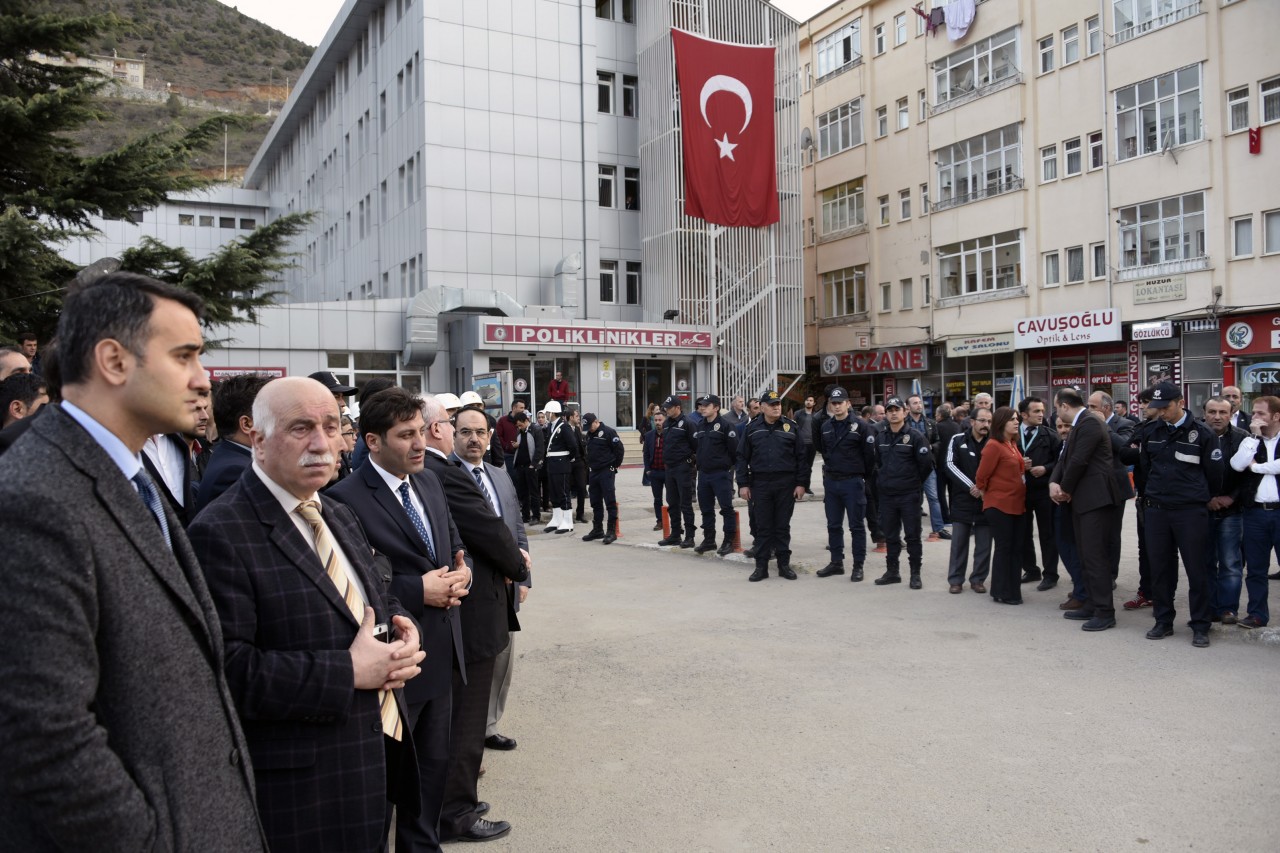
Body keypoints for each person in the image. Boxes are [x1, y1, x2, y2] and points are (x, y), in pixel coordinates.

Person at [0, 272, 266, 851]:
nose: (202, 381)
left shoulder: (130, 476)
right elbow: (41, 735)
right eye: (185, 356)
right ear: (113, 361)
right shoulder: (33, 500)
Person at [188, 377, 425, 852]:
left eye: (332, 426)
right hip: (304, 793)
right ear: (256, 437)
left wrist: (401, 622)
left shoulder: (334, 512)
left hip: (375, 760)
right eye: (301, 428)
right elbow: (227, 672)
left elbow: (368, 593)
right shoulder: (220, 532)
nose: (322, 443)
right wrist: (348, 671)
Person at [325, 387, 470, 853]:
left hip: (443, 651)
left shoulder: (429, 481)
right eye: (405, 435)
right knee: (389, 786)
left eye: (422, 433)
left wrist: (462, 570)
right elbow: (356, 583)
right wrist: (416, 590)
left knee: (431, 778)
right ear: (372, 441)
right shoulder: (342, 499)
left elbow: (450, 541)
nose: (418, 445)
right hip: (393, 663)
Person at [426, 402, 528, 843]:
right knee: (463, 722)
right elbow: (488, 534)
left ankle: (457, 798)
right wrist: (514, 564)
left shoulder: (499, 475)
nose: (469, 437)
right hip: (468, 612)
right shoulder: (446, 474)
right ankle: (455, 812)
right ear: (444, 431)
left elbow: (514, 525)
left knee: (465, 717)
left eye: (478, 431)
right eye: (459, 428)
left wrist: (523, 569)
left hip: (491, 598)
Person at [1138, 382, 1216, 647]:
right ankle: (1163, 620)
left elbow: (1214, 475)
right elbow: (1146, 468)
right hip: (1157, 510)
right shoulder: (1151, 431)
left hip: (1190, 512)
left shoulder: (1202, 433)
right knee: (1160, 569)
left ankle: (1201, 625)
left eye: (1166, 407)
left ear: (1180, 402)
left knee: (1197, 569)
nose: (1161, 413)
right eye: (1157, 408)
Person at [1051, 389, 1124, 632]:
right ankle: (1092, 604)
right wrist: (1056, 482)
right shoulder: (1082, 423)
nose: (1056, 413)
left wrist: (1064, 489)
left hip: (1095, 499)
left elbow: (1079, 460)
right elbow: (1065, 458)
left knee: (1095, 557)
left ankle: (1105, 611)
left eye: (1056, 408)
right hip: (1083, 500)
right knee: (1085, 555)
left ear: (1063, 406)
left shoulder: (1090, 422)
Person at [737, 390, 807, 581]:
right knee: (763, 527)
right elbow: (742, 457)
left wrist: (801, 483)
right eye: (772, 404)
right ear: (763, 407)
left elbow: (802, 457)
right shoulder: (752, 428)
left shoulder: (790, 427)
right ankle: (761, 567)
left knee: (782, 526)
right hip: (760, 483)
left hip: (785, 483)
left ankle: (784, 565)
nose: (777, 407)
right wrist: (743, 484)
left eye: (778, 404)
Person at [811, 387, 875, 580]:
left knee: (856, 526)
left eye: (840, 402)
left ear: (848, 403)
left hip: (852, 482)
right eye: (834, 403)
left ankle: (858, 565)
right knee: (833, 525)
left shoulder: (861, 426)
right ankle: (836, 562)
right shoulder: (826, 426)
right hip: (832, 482)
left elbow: (870, 456)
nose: (837, 406)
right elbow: (821, 448)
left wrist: (863, 477)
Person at [1229, 394, 1280, 628]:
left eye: (1261, 413)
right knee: (1256, 569)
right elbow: (1238, 464)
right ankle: (1257, 614)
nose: (1254, 417)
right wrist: (1254, 437)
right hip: (1255, 514)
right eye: (1254, 412)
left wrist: (1258, 467)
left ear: (1276, 416)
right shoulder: (1250, 439)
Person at [872, 397, 934, 589]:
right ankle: (893, 571)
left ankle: (915, 573)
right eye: (889, 409)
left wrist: (912, 483)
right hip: (888, 496)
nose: (892, 413)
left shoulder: (915, 437)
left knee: (912, 536)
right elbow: (877, 463)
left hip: (909, 495)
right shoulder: (881, 436)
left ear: (905, 412)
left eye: (896, 409)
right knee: (891, 535)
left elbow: (926, 465)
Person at [195, 373, 273, 513]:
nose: (282, 424)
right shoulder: (235, 473)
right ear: (247, 424)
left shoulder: (232, 459)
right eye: (274, 416)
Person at [975, 407, 1028, 605]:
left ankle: (1012, 589)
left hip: (1017, 504)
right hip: (999, 506)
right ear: (1001, 423)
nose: (1017, 422)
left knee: (1015, 549)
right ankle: (1002, 591)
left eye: (1017, 419)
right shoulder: (994, 445)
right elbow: (981, 476)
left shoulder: (1012, 444)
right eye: (1012, 420)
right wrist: (986, 494)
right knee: (1005, 548)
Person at [1202, 396, 1248, 624]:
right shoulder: (1194, 436)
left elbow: (1249, 475)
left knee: (1230, 563)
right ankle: (1209, 608)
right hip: (1202, 510)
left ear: (1231, 414)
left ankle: (1228, 609)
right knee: (1206, 562)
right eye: (1212, 412)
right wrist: (1207, 497)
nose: (1217, 417)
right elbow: (1188, 472)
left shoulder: (1243, 438)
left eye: (1223, 412)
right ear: (1204, 413)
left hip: (1232, 511)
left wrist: (1231, 497)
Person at [943, 407, 993, 594]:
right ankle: (955, 580)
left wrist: (984, 489)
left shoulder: (994, 442)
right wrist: (971, 486)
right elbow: (949, 465)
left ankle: (978, 579)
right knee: (959, 543)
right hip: (962, 500)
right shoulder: (958, 440)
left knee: (984, 544)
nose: (985, 425)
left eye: (989, 421)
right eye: (982, 421)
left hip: (986, 500)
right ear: (972, 422)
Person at [1089, 390, 1136, 582]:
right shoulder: (1087, 424)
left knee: (1111, 534)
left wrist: (1103, 426)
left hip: (1115, 487)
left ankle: (1110, 575)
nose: (1088, 410)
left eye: (1092, 406)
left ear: (1106, 408)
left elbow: (1123, 447)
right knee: (1094, 533)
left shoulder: (1125, 424)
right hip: (1091, 486)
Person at [1017, 396, 1061, 590]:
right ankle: (1031, 569)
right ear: (1024, 415)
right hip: (1020, 492)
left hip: (1044, 491)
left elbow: (1060, 462)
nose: (1041, 415)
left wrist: (1045, 468)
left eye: (1042, 411)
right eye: (1036, 411)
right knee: (1024, 532)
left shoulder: (1050, 435)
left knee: (1047, 533)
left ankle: (1050, 574)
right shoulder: (1012, 434)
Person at [692, 394, 739, 555]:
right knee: (706, 509)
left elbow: (734, 451)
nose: (702, 408)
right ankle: (709, 539)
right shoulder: (700, 425)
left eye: (706, 405)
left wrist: (725, 466)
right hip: (704, 474)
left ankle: (728, 541)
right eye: (701, 405)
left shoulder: (726, 426)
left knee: (726, 508)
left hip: (721, 474)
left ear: (716, 408)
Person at [657, 395, 696, 548]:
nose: (666, 410)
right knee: (672, 502)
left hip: (683, 468)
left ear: (678, 407)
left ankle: (690, 536)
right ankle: (675, 535)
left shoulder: (688, 423)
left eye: (669, 407)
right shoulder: (667, 424)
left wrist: (690, 463)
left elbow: (696, 446)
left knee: (685, 503)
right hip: (670, 468)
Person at [581, 412, 625, 544]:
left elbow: (619, 450)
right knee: (595, 501)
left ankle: (611, 531)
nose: (589, 429)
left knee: (610, 501)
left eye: (590, 426)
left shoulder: (608, 432)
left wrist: (614, 466)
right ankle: (597, 529)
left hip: (606, 471)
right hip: (594, 472)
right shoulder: (589, 434)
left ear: (596, 421)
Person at [542, 399, 576, 534]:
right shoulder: (551, 426)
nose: (545, 415)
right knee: (554, 493)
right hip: (552, 464)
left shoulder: (564, 427)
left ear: (552, 413)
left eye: (547, 413)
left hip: (562, 464)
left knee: (563, 493)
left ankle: (567, 522)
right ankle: (557, 519)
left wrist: (569, 458)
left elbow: (573, 446)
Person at [511, 410, 546, 523]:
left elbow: (540, 449)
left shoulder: (536, 429)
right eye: (518, 426)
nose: (519, 427)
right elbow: (523, 445)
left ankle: (536, 516)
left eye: (521, 425)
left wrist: (533, 465)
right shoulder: (519, 431)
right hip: (520, 466)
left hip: (531, 466)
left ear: (526, 421)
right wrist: (517, 445)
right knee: (523, 492)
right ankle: (525, 516)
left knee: (534, 492)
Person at [643, 410, 667, 531]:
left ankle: (673, 521)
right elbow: (646, 454)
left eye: (660, 420)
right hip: (655, 472)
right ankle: (660, 521)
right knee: (657, 499)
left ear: (665, 420)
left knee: (672, 498)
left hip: (668, 472)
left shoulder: (670, 434)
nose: (658, 422)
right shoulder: (649, 436)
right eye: (655, 420)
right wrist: (648, 470)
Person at [496, 400, 526, 471]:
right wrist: (507, 446)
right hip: (509, 455)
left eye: (524, 408)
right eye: (521, 408)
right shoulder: (502, 421)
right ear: (514, 408)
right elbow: (498, 436)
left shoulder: (525, 420)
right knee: (512, 478)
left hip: (523, 455)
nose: (523, 410)